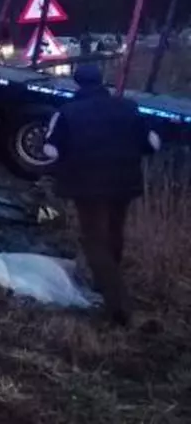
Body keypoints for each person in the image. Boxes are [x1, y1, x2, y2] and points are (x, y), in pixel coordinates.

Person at [43, 64, 159, 326]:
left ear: (77, 83)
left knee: (95, 240)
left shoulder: (67, 112)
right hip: (124, 184)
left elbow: (51, 150)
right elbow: (150, 144)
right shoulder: (129, 107)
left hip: (87, 186)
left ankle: (117, 306)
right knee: (115, 232)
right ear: (102, 81)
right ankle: (104, 281)